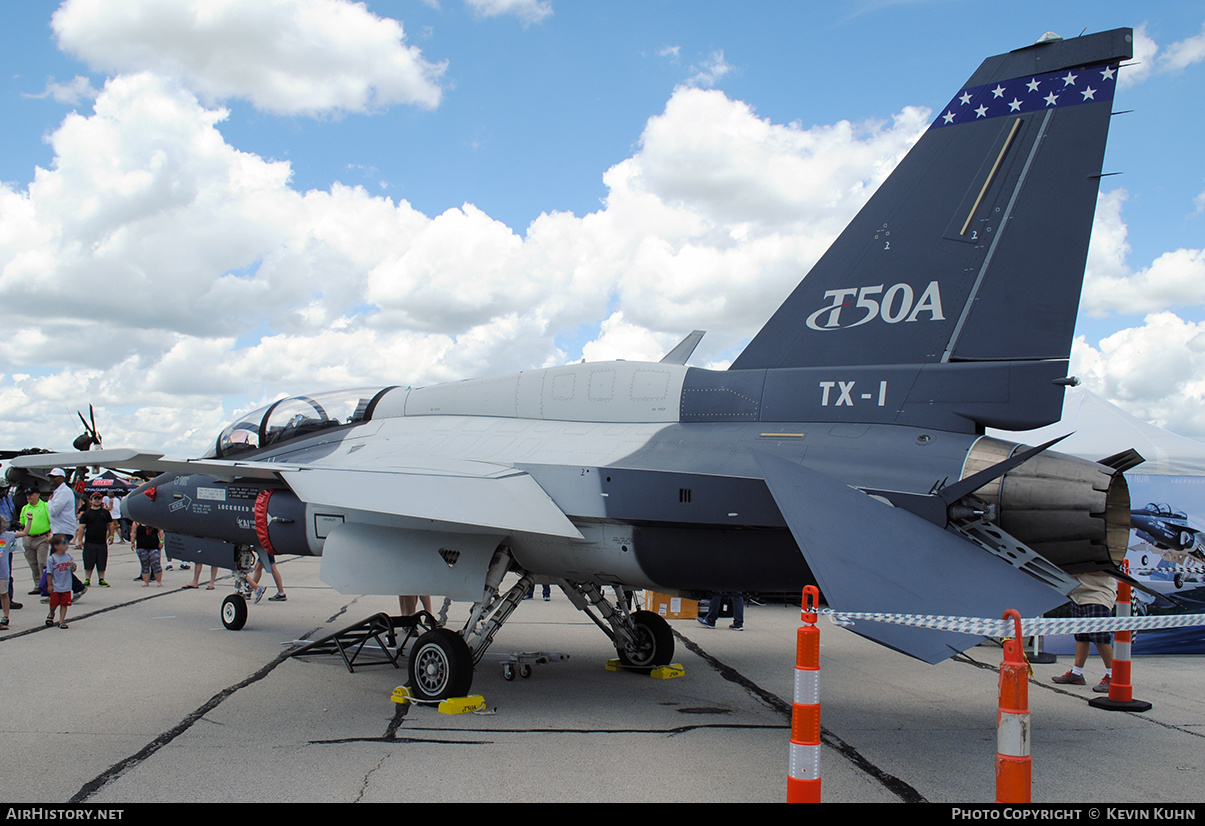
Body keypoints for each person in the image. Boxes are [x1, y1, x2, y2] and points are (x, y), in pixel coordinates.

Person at [1052, 571, 1116, 693]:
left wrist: (1081, 571)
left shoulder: (1106, 553)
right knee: (1081, 637)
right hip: (1078, 595)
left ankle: (1113, 676)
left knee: (1101, 638)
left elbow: (1105, 570)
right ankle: (1077, 673)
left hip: (1098, 595)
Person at [15, 487, 50, 595]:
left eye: (31, 494)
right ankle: (37, 585)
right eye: (27, 495)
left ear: (37, 495)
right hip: (28, 538)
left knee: (42, 563)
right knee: (33, 563)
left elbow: (52, 521)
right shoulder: (25, 508)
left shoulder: (45, 506)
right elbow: (21, 523)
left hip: (42, 538)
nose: (29, 497)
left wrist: (50, 534)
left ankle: (46, 585)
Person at [75, 493, 113, 586]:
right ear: (91, 500)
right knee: (88, 561)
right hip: (89, 542)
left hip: (102, 542)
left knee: (102, 561)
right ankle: (87, 579)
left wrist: (111, 536)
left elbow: (110, 524)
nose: (97, 501)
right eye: (95, 499)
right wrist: (80, 540)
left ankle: (101, 579)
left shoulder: (105, 513)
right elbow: (81, 528)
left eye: (99, 499)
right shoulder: (86, 514)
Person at [45, 535, 77, 628]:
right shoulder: (52, 559)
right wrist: (49, 585)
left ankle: (61, 621)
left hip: (66, 585)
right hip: (56, 585)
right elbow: (49, 573)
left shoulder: (69, 557)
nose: (66, 545)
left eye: (66, 543)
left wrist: (72, 566)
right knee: (54, 603)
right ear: (56, 546)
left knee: (64, 604)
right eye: (63, 543)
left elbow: (74, 569)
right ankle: (51, 613)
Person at [131, 521, 165, 587]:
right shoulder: (136, 522)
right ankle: (146, 582)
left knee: (156, 563)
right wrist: (132, 541)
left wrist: (161, 540)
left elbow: (160, 531)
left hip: (154, 546)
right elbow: (133, 532)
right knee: (144, 564)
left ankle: (159, 581)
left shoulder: (154, 521)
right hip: (141, 546)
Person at [0, 515, 13, 629]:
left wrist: (29, 521)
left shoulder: (7, 536)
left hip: (3, 572)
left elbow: (24, 533)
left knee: (4, 594)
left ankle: (5, 616)